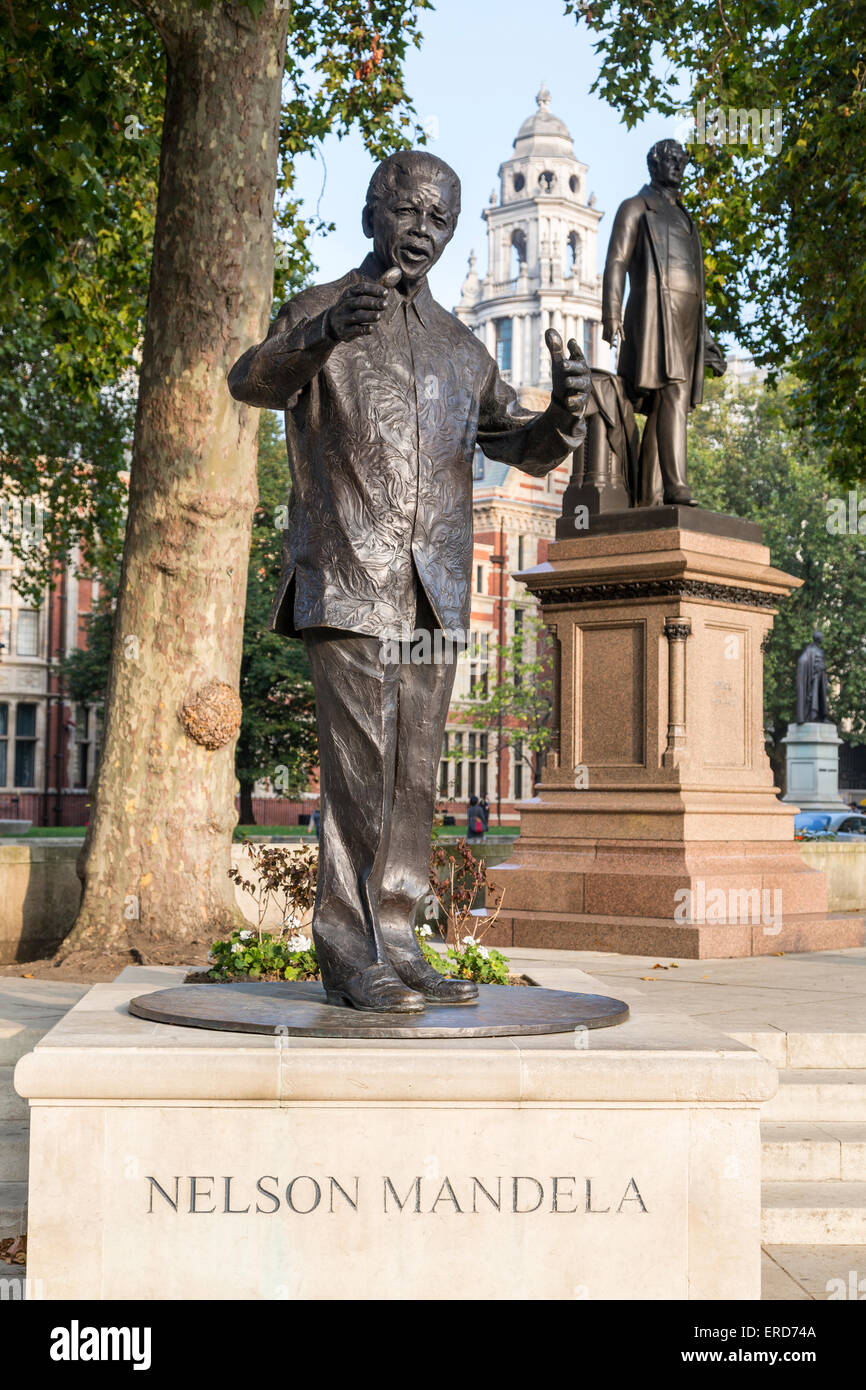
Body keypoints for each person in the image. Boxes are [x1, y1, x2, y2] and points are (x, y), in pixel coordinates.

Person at [228, 150, 590, 1012]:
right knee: (359, 770)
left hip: (434, 588)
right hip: (349, 575)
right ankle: (350, 953)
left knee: (414, 773)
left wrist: (566, 417)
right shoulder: (320, 310)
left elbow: (518, 445)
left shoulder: (465, 350)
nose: (422, 231)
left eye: (440, 219)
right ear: (371, 216)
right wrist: (321, 334)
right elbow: (251, 379)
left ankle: (399, 936)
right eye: (408, 211)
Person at [602, 139, 726, 507]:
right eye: (669, 159)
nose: (677, 165)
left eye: (681, 160)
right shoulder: (636, 207)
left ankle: (649, 497)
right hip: (654, 313)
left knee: (669, 403)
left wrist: (706, 340)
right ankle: (677, 487)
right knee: (672, 391)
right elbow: (616, 262)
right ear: (653, 164)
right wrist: (611, 312)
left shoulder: (686, 218)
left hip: (688, 320)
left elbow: (698, 288)